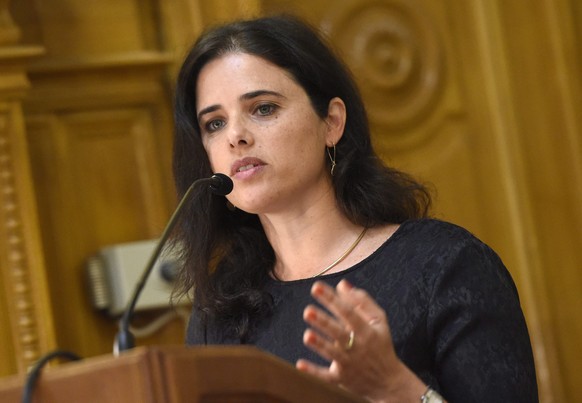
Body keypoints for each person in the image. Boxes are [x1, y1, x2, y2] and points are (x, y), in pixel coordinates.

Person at [171, 14, 538, 402]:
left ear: (331, 122)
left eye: (263, 108)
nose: (235, 137)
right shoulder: (220, 313)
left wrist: (400, 391)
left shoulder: (446, 267)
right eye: (214, 124)